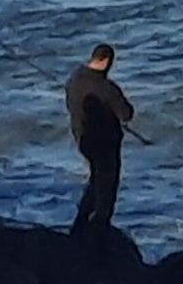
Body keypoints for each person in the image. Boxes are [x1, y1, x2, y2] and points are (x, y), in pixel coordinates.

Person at [65, 42, 134, 257]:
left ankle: (77, 230)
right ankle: (97, 246)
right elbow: (127, 113)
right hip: (106, 147)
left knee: (95, 183)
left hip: (84, 143)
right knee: (106, 195)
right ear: (106, 61)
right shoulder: (107, 89)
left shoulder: (74, 79)